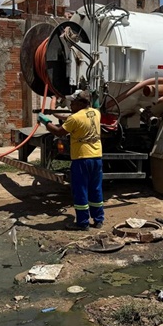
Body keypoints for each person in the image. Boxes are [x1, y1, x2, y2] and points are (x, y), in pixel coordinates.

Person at [38, 89, 104, 231]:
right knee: (96, 189)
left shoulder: (75, 118)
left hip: (81, 159)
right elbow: (97, 107)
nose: (70, 105)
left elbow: (58, 132)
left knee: (80, 191)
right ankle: (98, 220)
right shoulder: (96, 113)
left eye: (73, 102)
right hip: (97, 158)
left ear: (81, 103)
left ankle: (82, 223)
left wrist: (45, 121)